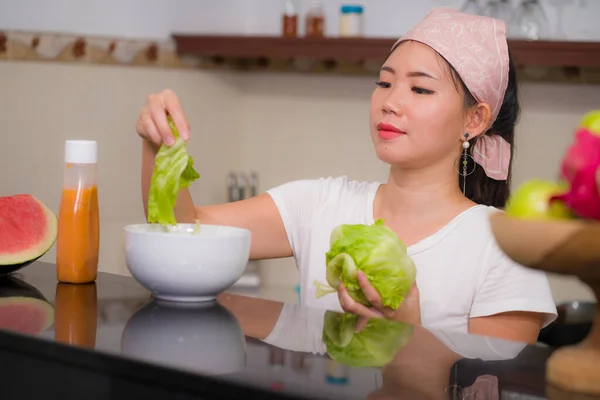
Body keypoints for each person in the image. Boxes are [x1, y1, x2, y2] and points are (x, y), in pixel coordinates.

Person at [135, 7, 557, 344]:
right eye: (384, 82)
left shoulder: (507, 247)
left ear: (476, 118)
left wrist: (408, 331)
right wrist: (160, 145)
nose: (390, 102)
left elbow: (492, 387)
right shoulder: (319, 204)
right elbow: (179, 230)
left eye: (420, 89)